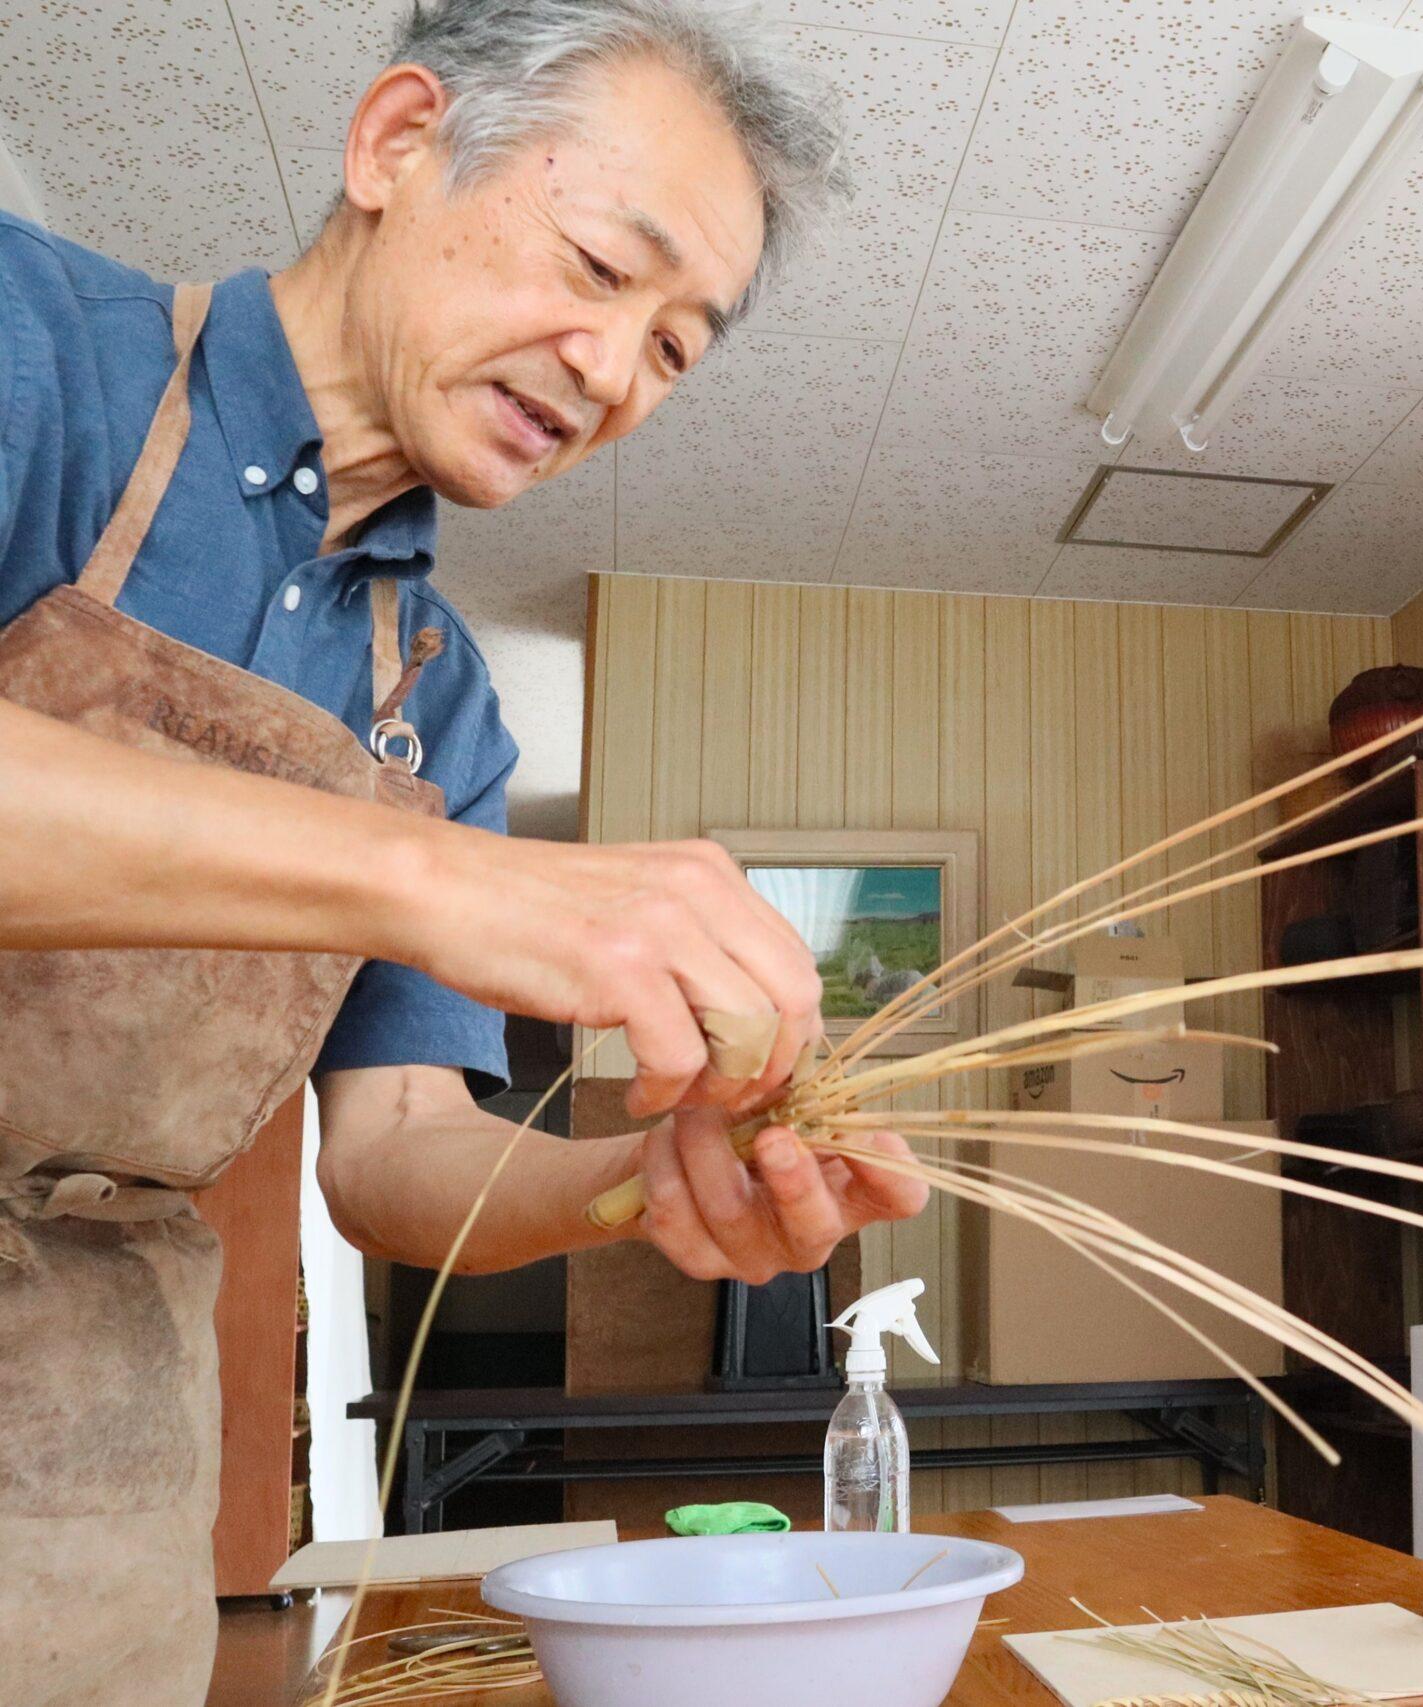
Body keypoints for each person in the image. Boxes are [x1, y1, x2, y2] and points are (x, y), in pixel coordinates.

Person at [0, 3, 928, 1701]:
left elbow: (397, 1146)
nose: (606, 372)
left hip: (90, 1438)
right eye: (594, 263)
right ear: (395, 141)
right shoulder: (32, 339)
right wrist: (434, 876)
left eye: (670, 350)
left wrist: (642, 1186)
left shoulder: (439, 701)